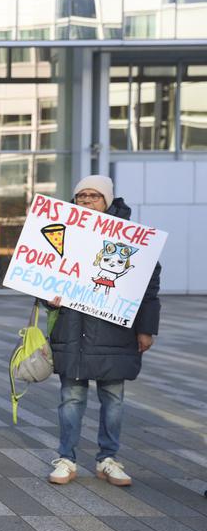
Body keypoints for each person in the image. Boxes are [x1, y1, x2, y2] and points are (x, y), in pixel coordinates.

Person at [46, 175, 161, 488]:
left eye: (93, 196)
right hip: (73, 331)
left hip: (115, 334)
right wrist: (47, 296)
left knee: (113, 399)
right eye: (81, 195)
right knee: (71, 398)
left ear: (107, 200)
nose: (86, 200)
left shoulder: (133, 238)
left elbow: (149, 287)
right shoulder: (62, 231)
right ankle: (66, 458)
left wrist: (146, 329)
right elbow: (43, 275)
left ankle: (107, 459)